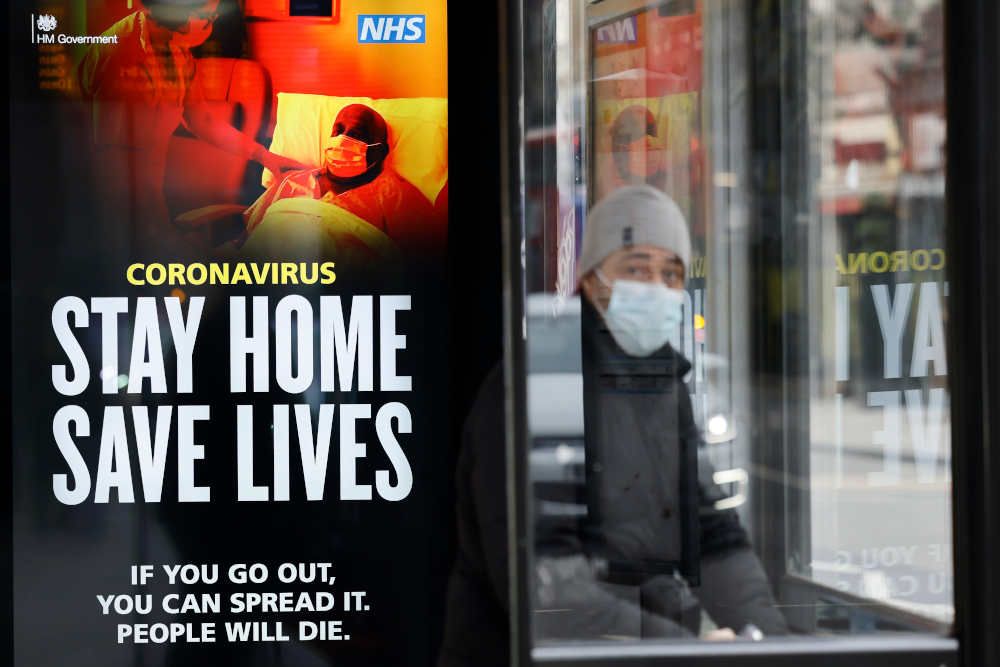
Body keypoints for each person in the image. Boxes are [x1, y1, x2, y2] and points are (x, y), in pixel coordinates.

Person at [438, 185, 786, 666]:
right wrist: (687, 650)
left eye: (671, 274)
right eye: (636, 269)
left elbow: (711, 532)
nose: (656, 288)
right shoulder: (535, 384)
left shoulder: (664, 386)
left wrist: (768, 640)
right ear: (591, 277)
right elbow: (546, 586)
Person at [77, 0, 304, 255]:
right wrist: (167, 238)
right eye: (205, 17)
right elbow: (128, 174)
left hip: (148, 201)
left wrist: (265, 156)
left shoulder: (174, 48)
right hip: (116, 209)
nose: (210, 25)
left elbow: (202, 120)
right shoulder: (124, 58)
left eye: (213, 17)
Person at [240, 104, 442, 253]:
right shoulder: (295, 179)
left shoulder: (394, 193)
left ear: (379, 152)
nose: (343, 139)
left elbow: (427, 261)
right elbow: (250, 236)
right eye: (338, 131)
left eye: (358, 134)